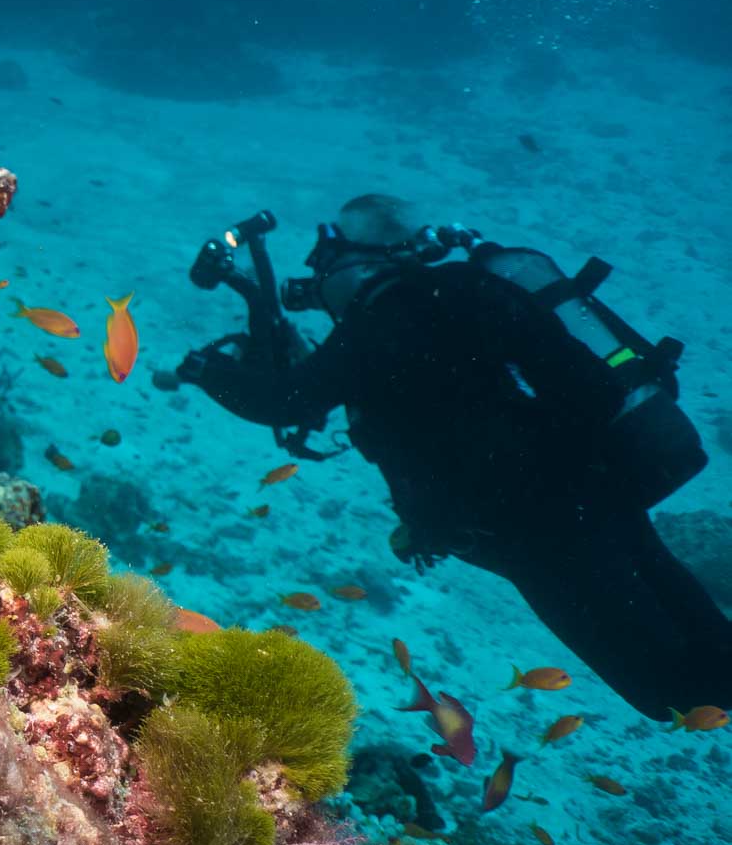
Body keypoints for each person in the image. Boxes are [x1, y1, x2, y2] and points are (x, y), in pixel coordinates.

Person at [174, 194, 732, 721]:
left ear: (361, 258)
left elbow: (288, 400)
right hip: (597, 493)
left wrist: (205, 369)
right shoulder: (477, 289)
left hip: (523, 533)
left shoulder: (375, 324)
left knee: (667, 691)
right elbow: (593, 386)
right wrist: (555, 459)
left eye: (333, 251)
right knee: (697, 627)